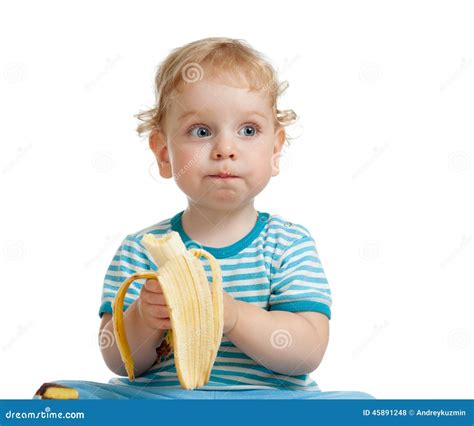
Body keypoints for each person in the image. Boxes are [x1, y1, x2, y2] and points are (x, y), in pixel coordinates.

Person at [33, 37, 375, 400]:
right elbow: (120, 361)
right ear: (164, 153)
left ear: (275, 150)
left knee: (358, 405)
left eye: (248, 131)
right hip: (164, 401)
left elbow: (308, 351)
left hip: (268, 400)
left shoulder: (288, 244)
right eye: (201, 131)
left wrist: (233, 316)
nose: (225, 149)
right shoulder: (141, 250)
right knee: (66, 397)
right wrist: (144, 319)